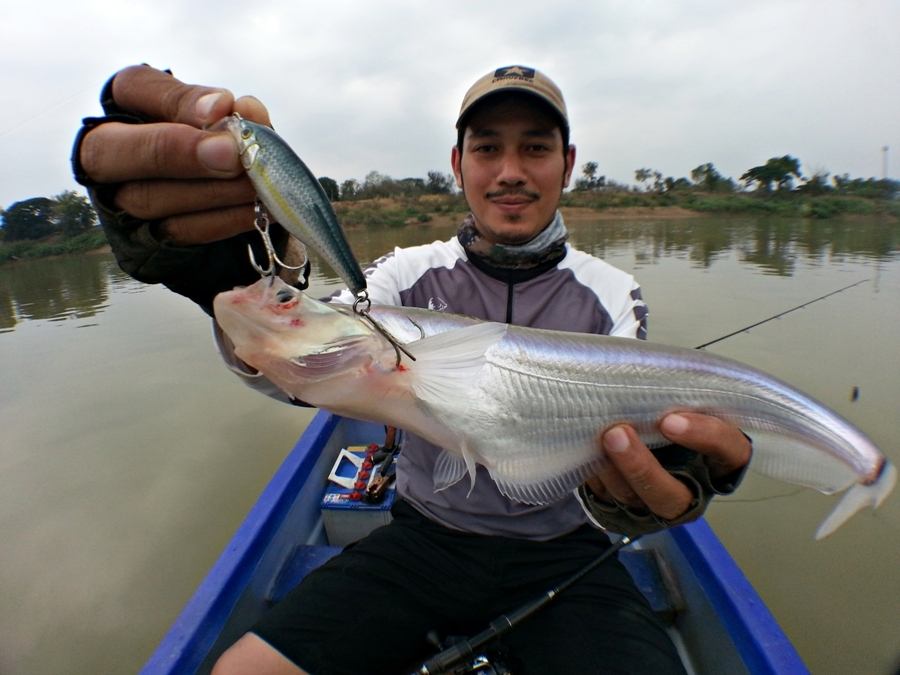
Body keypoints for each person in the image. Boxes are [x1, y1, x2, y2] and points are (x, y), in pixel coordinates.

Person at [73, 64, 752, 674]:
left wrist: (652, 487)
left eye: (535, 147)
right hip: (424, 541)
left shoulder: (611, 293)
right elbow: (306, 353)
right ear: (458, 164)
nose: (510, 169)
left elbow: (631, 458)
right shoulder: (402, 274)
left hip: (567, 550)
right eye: (487, 147)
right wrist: (237, 297)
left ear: (567, 163)